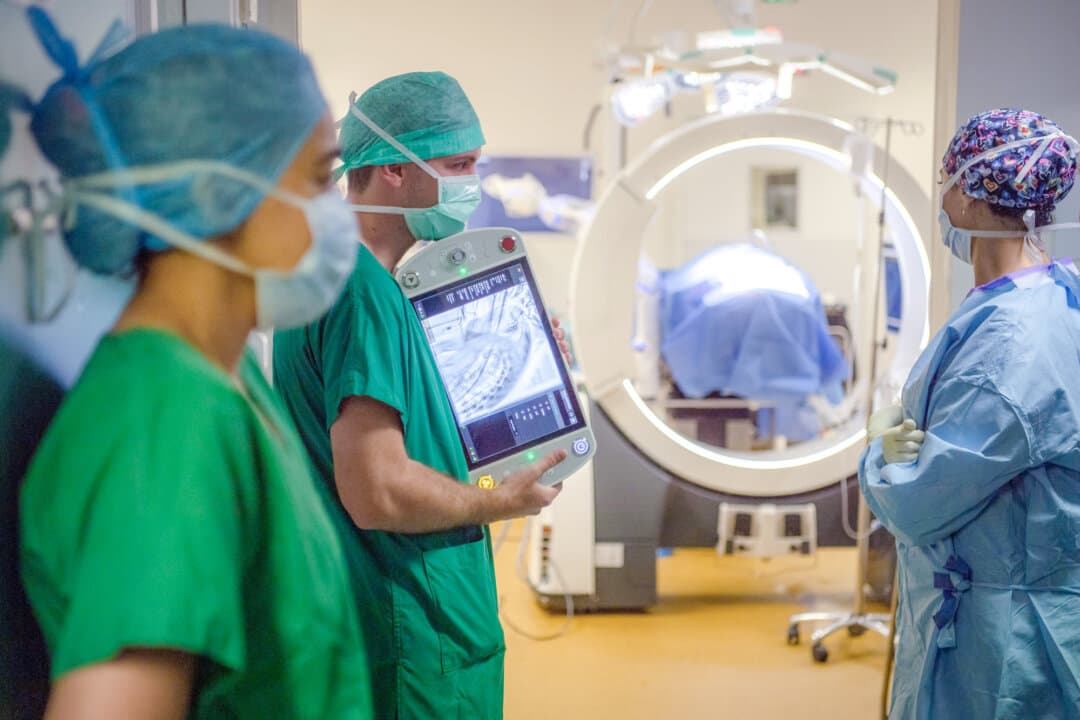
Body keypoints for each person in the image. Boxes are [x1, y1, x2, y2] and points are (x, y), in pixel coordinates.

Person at [15, 13, 372, 719]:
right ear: (217, 191)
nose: (337, 214)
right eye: (319, 176)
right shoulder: (165, 423)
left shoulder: (226, 382)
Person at [273, 72, 567, 719]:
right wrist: (497, 499)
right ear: (392, 171)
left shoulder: (352, 279)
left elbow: (412, 420)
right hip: (409, 635)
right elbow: (375, 490)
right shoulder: (362, 292)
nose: (472, 183)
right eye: (458, 164)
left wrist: (528, 365)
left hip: (414, 631)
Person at [860, 108, 1080, 719]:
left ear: (979, 196)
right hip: (1022, 610)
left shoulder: (1013, 338)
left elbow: (923, 498)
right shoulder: (1051, 295)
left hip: (1002, 638)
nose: (943, 190)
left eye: (949, 175)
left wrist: (879, 457)